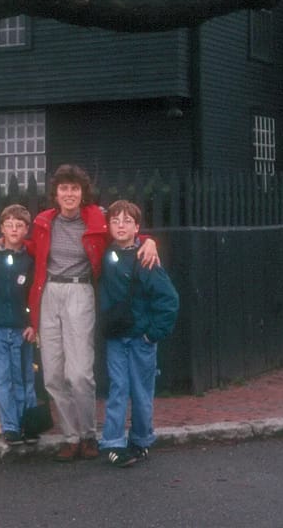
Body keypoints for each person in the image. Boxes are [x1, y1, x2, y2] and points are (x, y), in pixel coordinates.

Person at [28, 164, 158, 462]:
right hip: (49, 294)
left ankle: (88, 433)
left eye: (75, 188)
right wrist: (2, 243)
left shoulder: (96, 218)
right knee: (53, 374)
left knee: (79, 374)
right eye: (64, 188)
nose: (69, 194)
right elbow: (30, 248)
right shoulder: (44, 221)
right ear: (56, 193)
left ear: (82, 192)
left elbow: (125, 230)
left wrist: (150, 240)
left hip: (80, 292)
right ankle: (70, 437)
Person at [98, 200, 179, 467]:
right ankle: (113, 443)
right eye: (115, 220)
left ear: (137, 227)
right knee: (118, 389)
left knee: (142, 392)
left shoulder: (147, 258)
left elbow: (169, 300)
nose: (121, 225)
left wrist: (153, 334)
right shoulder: (105, 253)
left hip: (141, 339)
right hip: (116, 337)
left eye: (127, 221)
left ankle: (142, 439)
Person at [0, 204, 38, 446]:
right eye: (9, 225)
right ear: (1, 228)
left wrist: (32, 322)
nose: (14, 229)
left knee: (23, 377)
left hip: (21, 327)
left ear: (26, 229)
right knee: (0, 378)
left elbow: (33, 293)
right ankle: (10, 426)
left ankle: (27, 423)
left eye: (19, 225)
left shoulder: (29, 260)